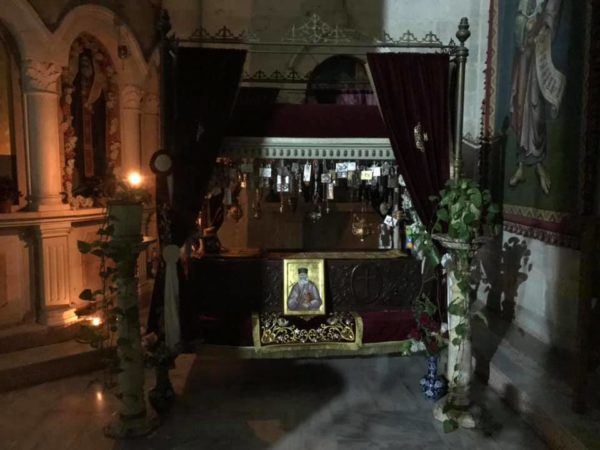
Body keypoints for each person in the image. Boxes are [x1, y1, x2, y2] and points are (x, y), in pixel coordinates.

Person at [508, 0, 564, 195]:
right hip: (524, 56)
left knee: (536, 108)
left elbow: (551, 18)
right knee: (520, 105)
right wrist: (525, 27)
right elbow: (520, 16)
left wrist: (539, 31)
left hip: (540, 57)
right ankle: (520, 166)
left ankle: (539, 165)